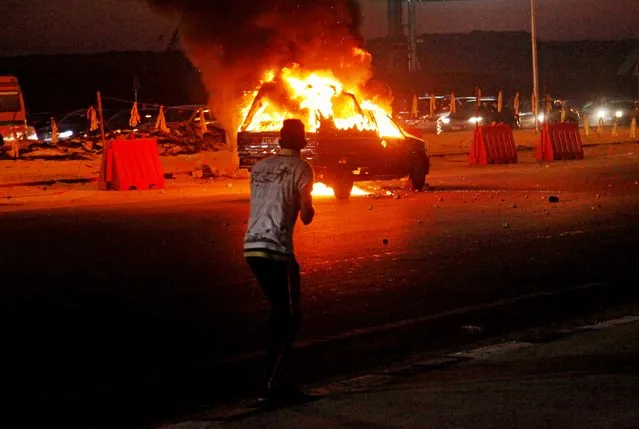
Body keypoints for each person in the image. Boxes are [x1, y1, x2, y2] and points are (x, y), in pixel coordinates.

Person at [244, 118, 315, 401]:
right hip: (275, 248)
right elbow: (307, 216)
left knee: (284, 311)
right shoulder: (302, 168)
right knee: (286, 316)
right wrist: (303, 203)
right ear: (303, 141)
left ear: (278, 140)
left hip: (251, 245)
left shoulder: (259, 167)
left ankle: (276, 379)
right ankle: (273, 384)